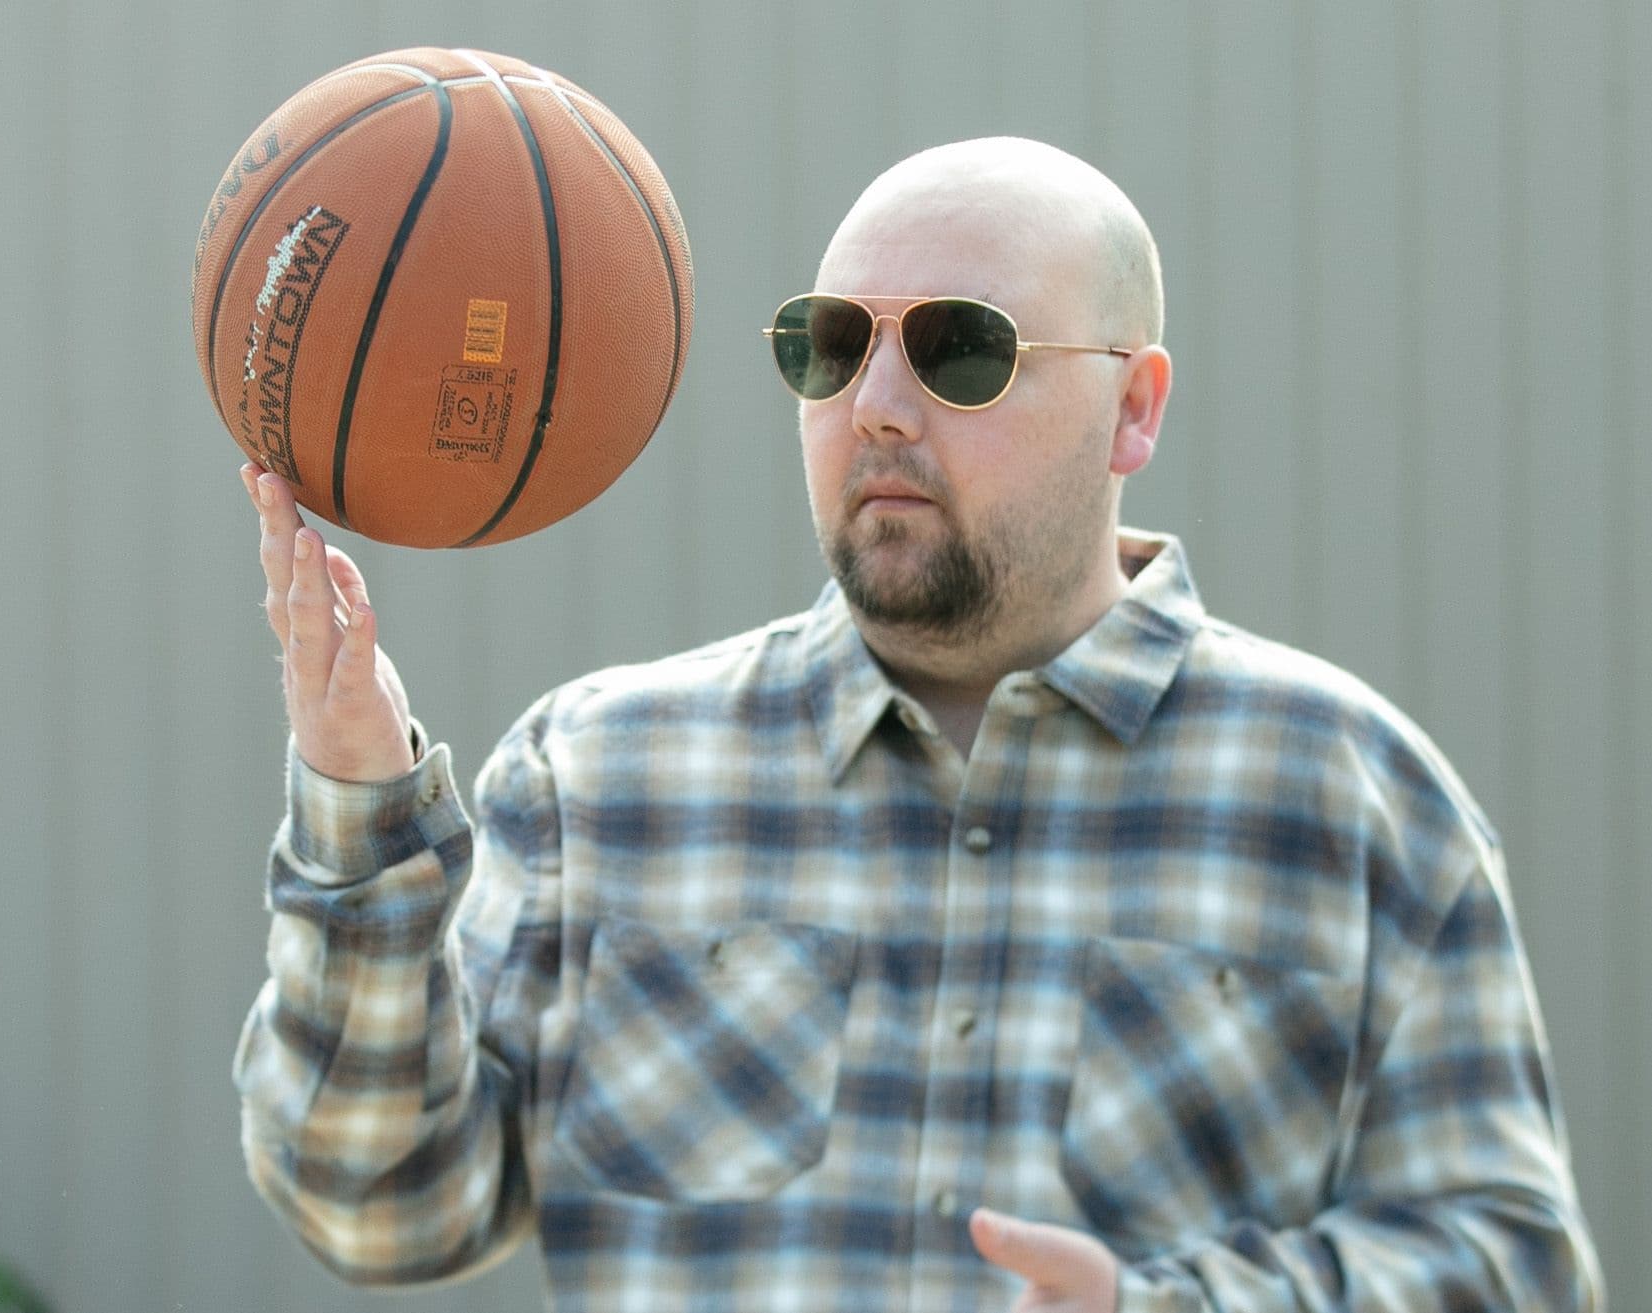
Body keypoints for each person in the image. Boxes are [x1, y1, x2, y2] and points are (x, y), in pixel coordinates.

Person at [230, 137, 1605, 1312]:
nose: (876, 408)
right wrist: (361, 814)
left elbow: (1516, 1266)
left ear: (1132, 409)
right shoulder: (600, 774)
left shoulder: (1352, 795)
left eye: (960, 349)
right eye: (830, 346)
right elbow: (382, 1213)